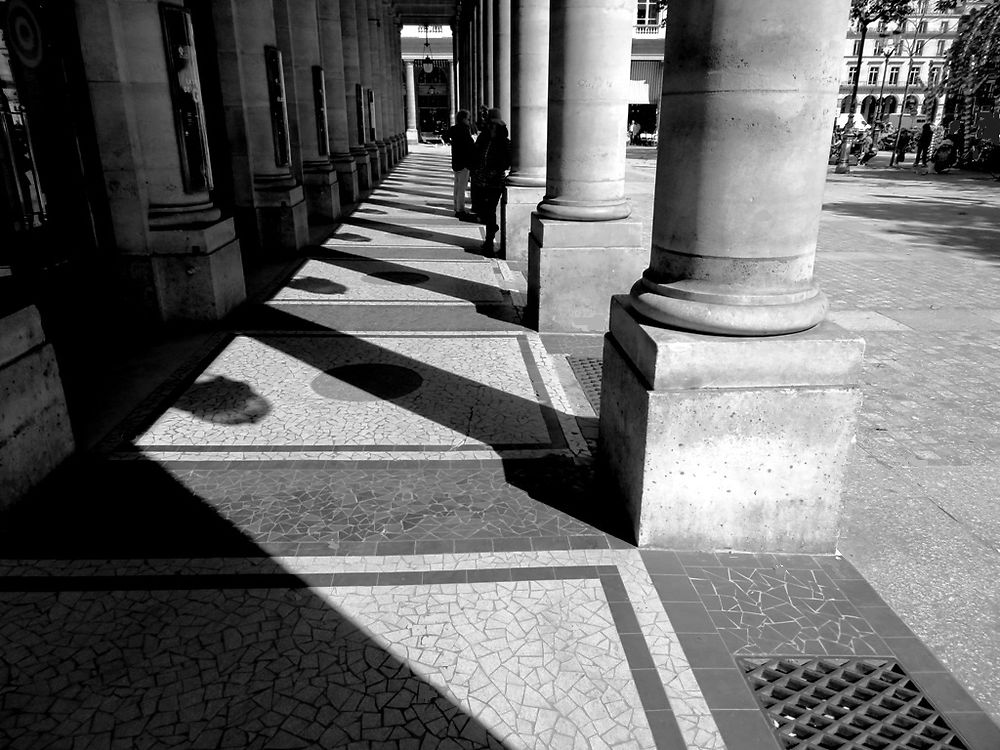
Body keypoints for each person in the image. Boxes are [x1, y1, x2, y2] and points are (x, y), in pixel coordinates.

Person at [470, 108, 511, 255]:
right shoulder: (483, 138)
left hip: (494, 182)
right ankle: (492, 228)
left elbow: (507, 161)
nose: (491, 127)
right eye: (490, 124)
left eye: (494, 125)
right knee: (482, 210)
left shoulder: (504, 142)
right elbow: (474, 154)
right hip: (480, 181)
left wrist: (495, 170)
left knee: (490, 210)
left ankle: (489, 241)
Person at [444, 110, 477, 220]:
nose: (469, 121)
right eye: (468, 119)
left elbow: (444, 135)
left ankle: (456, 206)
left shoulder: (454, 128)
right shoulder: (464, 129)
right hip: (464, 162)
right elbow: (470, 144)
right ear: (463, 119)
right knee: (462, 188)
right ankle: (460, 210)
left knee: (457, 186)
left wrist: (452, 142)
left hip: (456, 161)